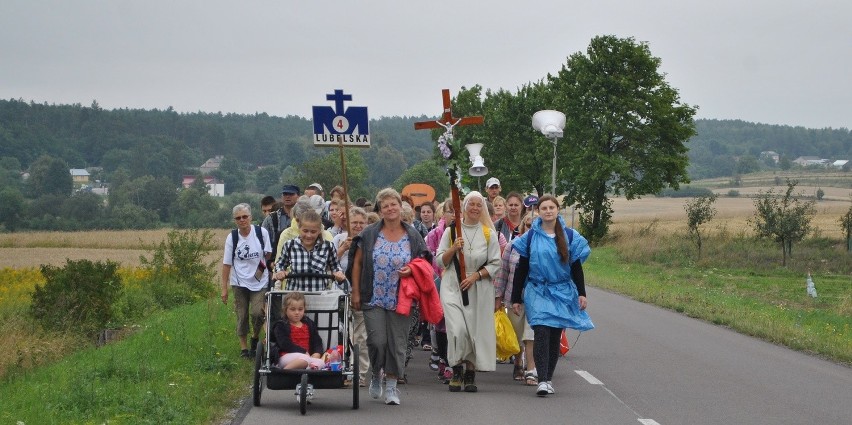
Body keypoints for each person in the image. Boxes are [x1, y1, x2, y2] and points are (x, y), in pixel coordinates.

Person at [350, 188, 428, 405]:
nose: (390, 208)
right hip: (373, 296)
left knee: (397, 343)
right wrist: (355, 291)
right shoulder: (369, 233)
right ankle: (376, 373)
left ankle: (392, 386)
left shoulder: (412, 234)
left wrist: (412, 270)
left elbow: (424, 262)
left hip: (401, 298)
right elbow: (357, 263)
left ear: (400, 206)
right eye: (385, 206)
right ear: (380, 210)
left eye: (393, 204)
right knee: (377, 341)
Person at [511, 195, 594, 397]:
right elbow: (521, 268)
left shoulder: (570, 236)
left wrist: (581, 293)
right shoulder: (530, 237)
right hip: (537, 290)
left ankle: (548, 378)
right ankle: (542, 380)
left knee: (554, 335)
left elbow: (575, 267)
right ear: (538, 211)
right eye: (544, 208)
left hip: (561, 291)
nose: (548, 211)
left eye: (552, 207)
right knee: (541, 331)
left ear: (558, 210)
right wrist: (516, 297)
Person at [436, 191, 501, 393]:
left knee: (475, 331)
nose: (474, 208)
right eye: (470, 204)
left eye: (478, 205)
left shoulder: (488, 233)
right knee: (457, 329)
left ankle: (470, 372)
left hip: (478, 287)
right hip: (453, 284)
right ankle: (456, 369)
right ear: (463, 208)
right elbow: (440, 261)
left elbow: (496, 263)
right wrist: (453, 248)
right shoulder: (452, 231)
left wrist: (476, 276)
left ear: (482, 209)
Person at [221, 203, 272, 358]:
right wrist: (224, 288)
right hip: (239, 282)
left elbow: (268, 254)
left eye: (245, 216)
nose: (242, 220)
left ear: (250, 217)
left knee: (257, 313)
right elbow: (227, 263)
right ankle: (244, 349)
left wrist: (261, 269)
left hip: (259, 281)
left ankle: (255, 337)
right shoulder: (232, 237)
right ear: (235, 220)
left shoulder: (261, 232)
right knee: (242, 315)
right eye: (238, 218)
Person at [494, 212, 537, 385]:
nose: (531, 228)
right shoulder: (513, 245)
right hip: (514, 296)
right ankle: (518, 360)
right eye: (528, 224)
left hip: (536, 298)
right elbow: (503, 272)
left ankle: (531, 369)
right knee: (517, 332)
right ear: (522, 226)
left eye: (535, 224)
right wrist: (498, 297)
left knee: (531, 333)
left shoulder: (544, 246)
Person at [333, 206, 370, 386]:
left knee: (360, 336)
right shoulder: (339, 239)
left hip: (362, 294)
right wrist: (342, 249)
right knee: (343, 334)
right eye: (354, 222)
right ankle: (342, 370)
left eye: (361, 223)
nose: (357, 226)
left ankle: (360, 374)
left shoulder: (369, 240)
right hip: (341, 294)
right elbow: (328, 264)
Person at [272, 209, 345, 292]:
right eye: (305, 231)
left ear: (319, 231)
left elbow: (335, 266)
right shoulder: (290, 245)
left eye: (313, 232)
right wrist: (280, 271)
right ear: (299, 228)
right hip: (295, 296)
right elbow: (280, 263)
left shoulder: (328, 246)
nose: (309, 235)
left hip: (319, 295)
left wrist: (339, 274)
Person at [271, 292, 326, 369]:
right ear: (285, 310)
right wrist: (303, 351)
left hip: (305, 357)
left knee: (321, 363)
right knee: (305, 359)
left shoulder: (308, 323)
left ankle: (308, 372)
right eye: (292, 309)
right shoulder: (281, 325)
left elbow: (317, 340)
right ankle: (284, 373)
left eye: (300, 309)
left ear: (304, 309)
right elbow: (284, 344)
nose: (297, 312)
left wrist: (317, 352)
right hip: (285, 356)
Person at [262, 184, 300, 258]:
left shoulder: (304, 217)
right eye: (285, 194)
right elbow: (262, 238)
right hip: (277, 257)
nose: (287, 196)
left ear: (298, 196)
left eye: (291, 194)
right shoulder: (272, 218)